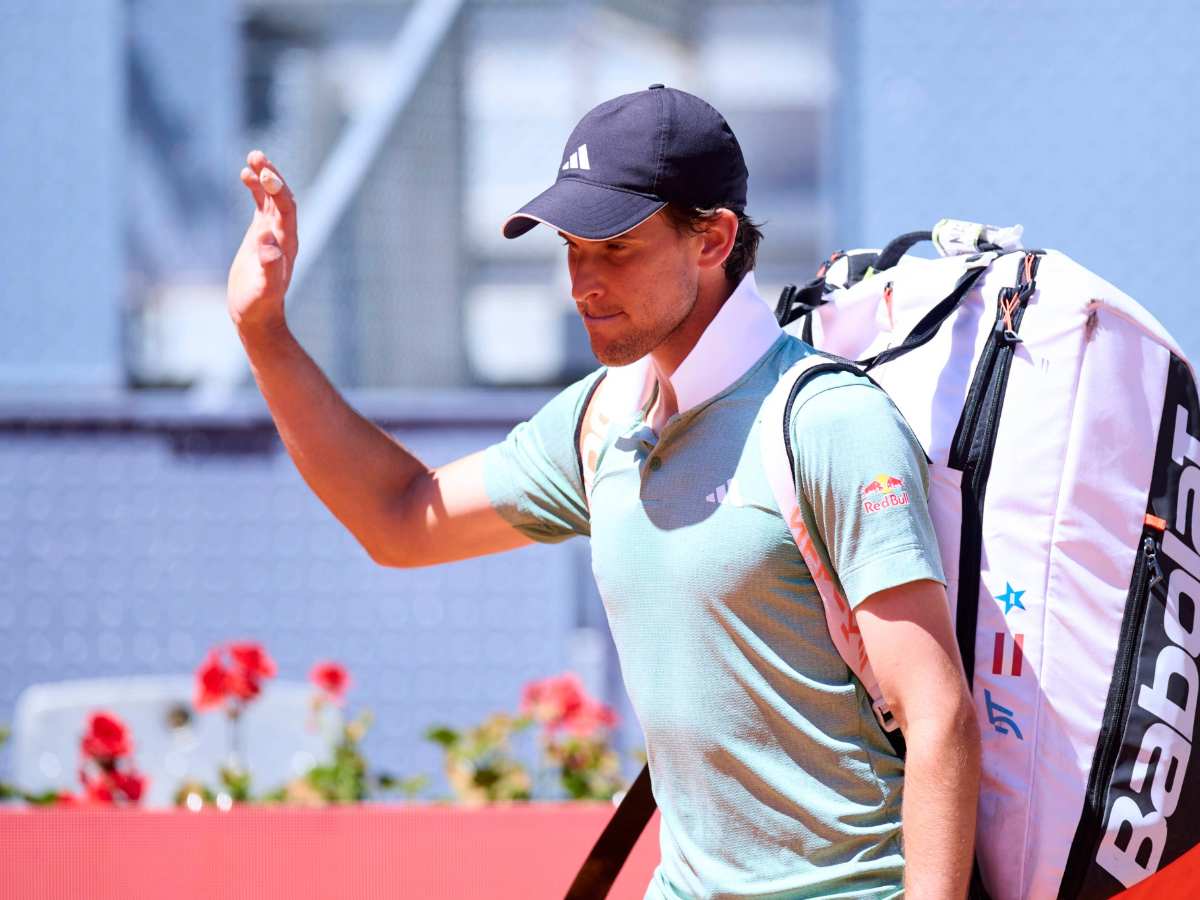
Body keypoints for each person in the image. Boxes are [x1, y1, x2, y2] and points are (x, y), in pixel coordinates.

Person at [227, 85, 981, 899]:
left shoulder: (829, 423)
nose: (581, 282)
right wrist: (264, 334)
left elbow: (939, 718)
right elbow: (402, 519)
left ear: (713, 238)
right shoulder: (604, 418)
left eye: (615, 247)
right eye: (570, 247)